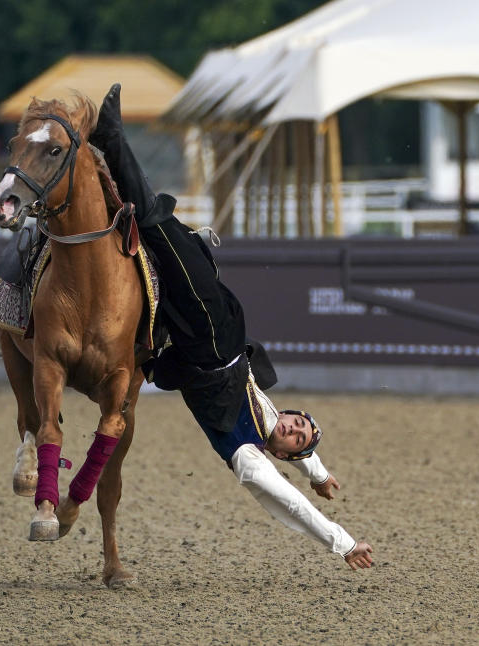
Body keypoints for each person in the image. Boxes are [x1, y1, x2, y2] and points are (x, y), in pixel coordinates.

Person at [88, 84, 373, 570]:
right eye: (299, 422)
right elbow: (301, 460)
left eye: (296, 437)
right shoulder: (268, 416)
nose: (293, 427)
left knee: (159, 228)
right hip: (223, 330)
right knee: (172, 240)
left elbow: (291, 504)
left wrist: (342, 542)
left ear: (282, 455)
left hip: (204, 336)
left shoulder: (248, 457)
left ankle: (110, 139)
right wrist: (319, 472)